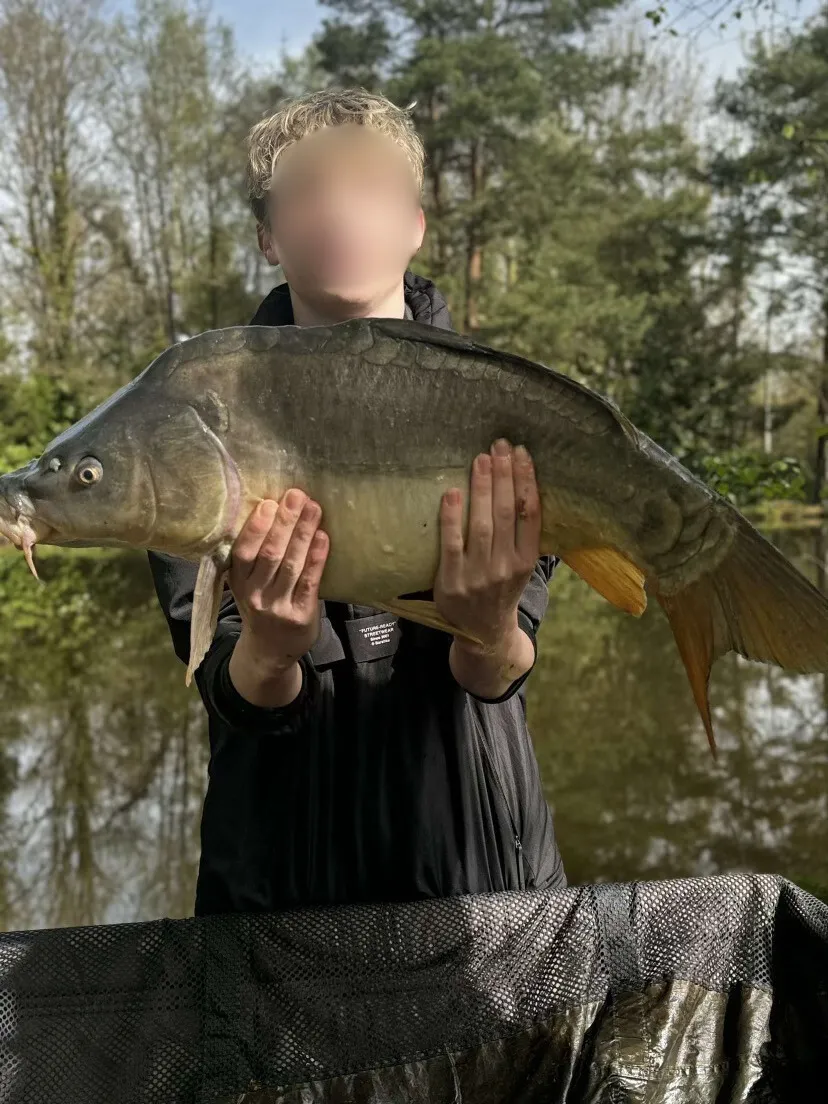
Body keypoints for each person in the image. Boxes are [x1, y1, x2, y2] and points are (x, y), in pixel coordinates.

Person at [148, 88, 566, 915]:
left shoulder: (502, 407)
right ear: (269, 234)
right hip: (275, 901)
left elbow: (501, 671)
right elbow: (231, 690)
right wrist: (271, 648)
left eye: (370, 188)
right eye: (308, 191)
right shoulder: (197, 424)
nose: (339, 211)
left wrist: (487, 627)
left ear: (414, 224)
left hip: (483, 881)